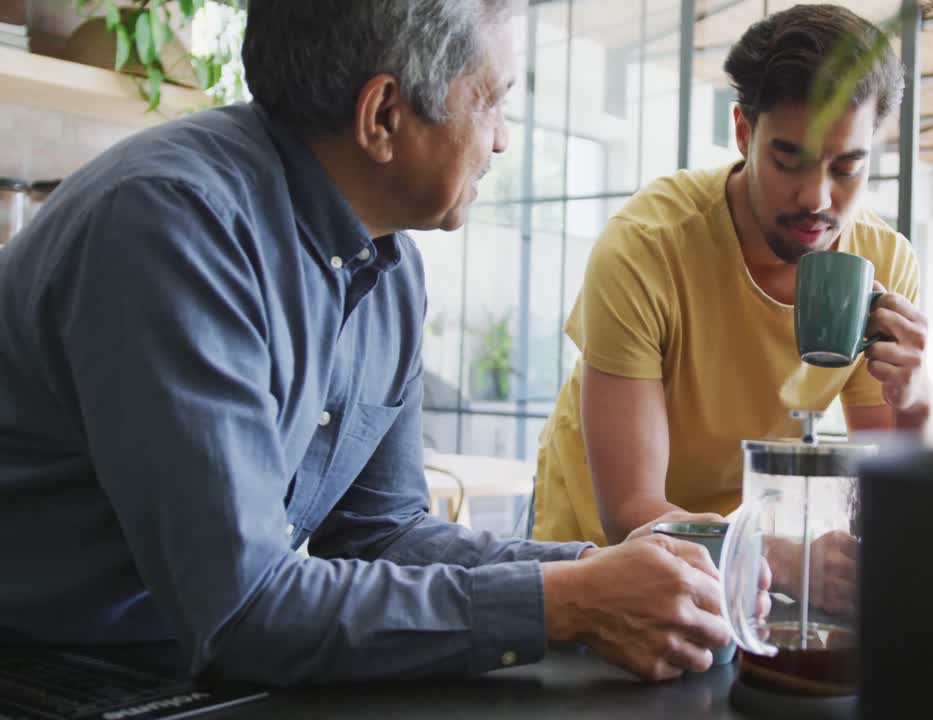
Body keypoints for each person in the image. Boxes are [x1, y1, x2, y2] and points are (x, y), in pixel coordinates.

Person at [0, 0, 732, 685]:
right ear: (383, 116)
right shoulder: (174, 227)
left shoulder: (390, 270)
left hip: (177, 661)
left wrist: (605, 570)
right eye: (492, 101)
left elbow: (383, 533)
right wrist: (569, 601)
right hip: (47, 664)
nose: (503, 140)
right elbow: (242, 609)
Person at [533, 4, 932, 549]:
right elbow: (629, 510)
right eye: (788, 160)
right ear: (744, 132)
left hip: (727, 545)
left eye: (846, 168)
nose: (816, 197)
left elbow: (892, 496)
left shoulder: (881, 262)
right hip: (591, 546)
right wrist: (792, 561)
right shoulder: (647, 246)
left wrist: (915, 401)